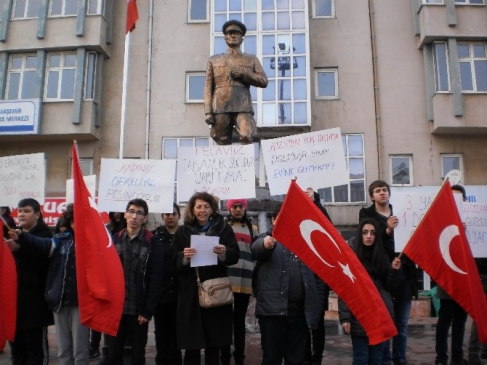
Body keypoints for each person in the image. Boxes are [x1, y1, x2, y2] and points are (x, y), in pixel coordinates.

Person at [8, 203, 90, 365]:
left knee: (80, 351)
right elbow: (41, 244)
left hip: (81, 303)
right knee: (63, 351)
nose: (76, 224)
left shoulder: (93, 243)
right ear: (70, 222)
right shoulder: (60, 240)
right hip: (59, 300)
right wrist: (22, 236)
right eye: (73, 220)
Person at [252, 204, 326, 365]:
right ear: (273, 220)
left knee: (297, 360)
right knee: (272, 359)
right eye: (283, 217)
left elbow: (318, 280)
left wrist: (316, 305)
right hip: (272, 313)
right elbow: (256, 249)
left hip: (299, 313)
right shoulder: (267, 238)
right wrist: (266, 245)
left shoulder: (307, 243)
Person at [172, 192, 239, 365]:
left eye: (206, 206)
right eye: (199, 207)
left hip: (215, 289)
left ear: (212, 209)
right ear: (192, 210)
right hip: (191, 293)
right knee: (191, 343)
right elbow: (171, 259)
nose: (203, 210)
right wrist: (184, 256)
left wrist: (224, 253)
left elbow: (234, 255)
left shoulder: (224, 229)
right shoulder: (183, 231)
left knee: (214, 343)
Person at [359, 180, 418, 365]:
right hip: (381, 274)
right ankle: (384, 359)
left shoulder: (402, 210)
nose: (382, 193)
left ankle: (399, 358)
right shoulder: (366, 214)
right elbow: (368, 242)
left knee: (401, 322)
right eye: (377, 191)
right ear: (372, 196)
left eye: (384, 190)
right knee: (384, 320)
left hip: (404, 274)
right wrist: (387, 231)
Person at [105, 198, 164, 365]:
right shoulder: (113, 240)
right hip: (116, 309)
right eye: (131, 211)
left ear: (145, 218)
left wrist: (147, 311)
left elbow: (155, 278)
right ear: (125, 214)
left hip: (138, 309)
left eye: (139, 213)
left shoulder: (152, 242)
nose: (134, 216)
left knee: (138, 355)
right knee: (114, 354)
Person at [339, 218, 401, 365]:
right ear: (359, 234)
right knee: (361, 358)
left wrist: (393, 271)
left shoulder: (382, 256)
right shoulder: (351, 258)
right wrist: (345, 318)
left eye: (373, 233)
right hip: (359, 317)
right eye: (365, 232)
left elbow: (390, 287)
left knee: (376, 359)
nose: (369, 236)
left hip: (379, 316)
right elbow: (344, 289)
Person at [5, 198, 54, 365]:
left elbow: (42, 262)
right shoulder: (15, 234)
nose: (21, 214)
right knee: (17, 349)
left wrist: (19, 249)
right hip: (15, 302)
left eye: (26, 211)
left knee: (35, 351)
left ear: (37, 214)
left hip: (35, 304)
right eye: (19, 211)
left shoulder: (45, 236)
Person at [204, 19, 268, 145]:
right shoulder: (214, 60)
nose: (232, 35)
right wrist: (208, 111)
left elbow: (263, 81)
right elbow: (208, 87)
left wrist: (245, 74)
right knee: (220, 138)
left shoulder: (251, 59)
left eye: (236, 33)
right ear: (225, 38)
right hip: (221, 106)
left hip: (243, 105)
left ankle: (246, 163)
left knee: (246, 134)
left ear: (241, 39)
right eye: (229, 33)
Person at [220, 198, 258, 365]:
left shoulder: (253, 228)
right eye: (234, 206)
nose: (237, 209)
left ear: (244, 208)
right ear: (229, 209)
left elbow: (256, 254)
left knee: (239, 322)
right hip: (227, 281)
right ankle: (225, 355)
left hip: (245, 281)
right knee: (225, 321)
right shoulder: (222, 227)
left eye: (240, 206)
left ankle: (240, 357)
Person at [435, 184, 469, 365]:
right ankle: (441, 357)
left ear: (464, 201)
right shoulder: (442, 220)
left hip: (465, 277)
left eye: (459, 198)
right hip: (448, 278)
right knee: (445, 319)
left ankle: (457, 357)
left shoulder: (472, 220)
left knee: (461, 320)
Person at [303, 188, 332, 365]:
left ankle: (317, 358)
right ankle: (304, 356)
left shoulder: (319, 210)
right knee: (301, 323)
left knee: (317, 322)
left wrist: (315, 202)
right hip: (300, 276)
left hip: (318, 276)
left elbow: (326, 226)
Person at [151, 204, 182, 365]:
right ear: (162, 216)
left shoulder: (185, 235)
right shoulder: (155, 236)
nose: (171, 217)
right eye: (167, 214)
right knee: (161, 331)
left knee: (177, 332)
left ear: (179, 216)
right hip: (161, 293)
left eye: (174, 214)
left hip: (179, 292)